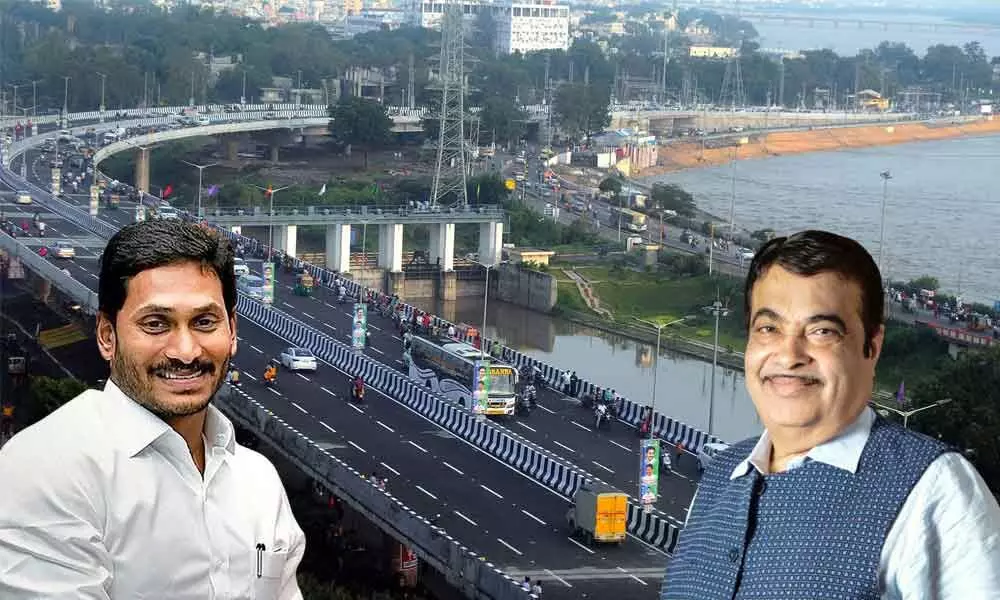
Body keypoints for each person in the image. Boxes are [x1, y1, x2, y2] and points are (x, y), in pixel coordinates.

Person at [662, 230, 1000, 599]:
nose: (789, 355)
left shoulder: (933, 491)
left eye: (822, 331)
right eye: (769, 329)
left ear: (872, 346)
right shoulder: (718, 479)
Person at [0, 219, 306, 598]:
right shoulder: (46, 472)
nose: (186, 351)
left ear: (232, 333)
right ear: (107, 336)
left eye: (205, 322)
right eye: (156, 324)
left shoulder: (258, 481)